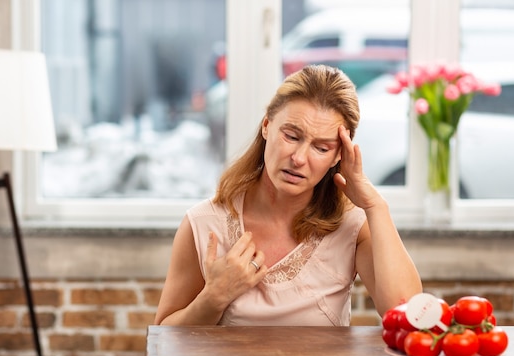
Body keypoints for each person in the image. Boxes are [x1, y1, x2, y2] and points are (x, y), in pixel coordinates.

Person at [154, 64, 422, 326]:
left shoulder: (351, 226)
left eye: (321, 147)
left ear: (338, 155)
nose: (299, 158)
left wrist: (376, 206)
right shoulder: (203, 224)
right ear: (267, 126)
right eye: (292, 136)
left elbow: (408, 316)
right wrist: (214, 298)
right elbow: (165, 338)